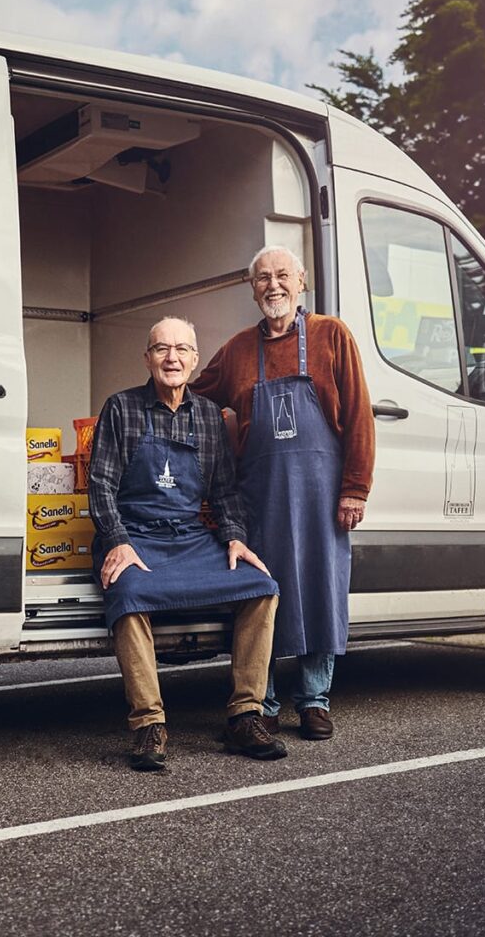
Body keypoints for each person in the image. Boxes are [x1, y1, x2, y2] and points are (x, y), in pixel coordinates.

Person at [89, 316, 287, 771]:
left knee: (261, 587)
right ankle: (149, 724)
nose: (172, 358)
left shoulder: (208, 417)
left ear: (195, 359)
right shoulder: (121, 408)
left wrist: (235, 538)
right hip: (135, 535)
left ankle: (244, 715)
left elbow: (224, 492)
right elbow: (100, 485)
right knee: (130, 593)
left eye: (181, 349)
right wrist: (117, 540)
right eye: (161, 349)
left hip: (190, 537)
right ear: (147, 357)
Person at [193, 245, 375, 740]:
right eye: (262, 279)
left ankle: (314, 700)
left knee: (321, 590)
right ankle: (264, 699)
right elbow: (192, 397)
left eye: (282, 276)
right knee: (261, 595)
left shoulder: (331, 335)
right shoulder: (234, 351)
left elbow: (359, 414)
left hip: (323, 494)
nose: (273, 285)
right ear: (252, 290)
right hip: (260, 497)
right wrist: (145, 405)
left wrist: (355, 489)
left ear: (301, 282)